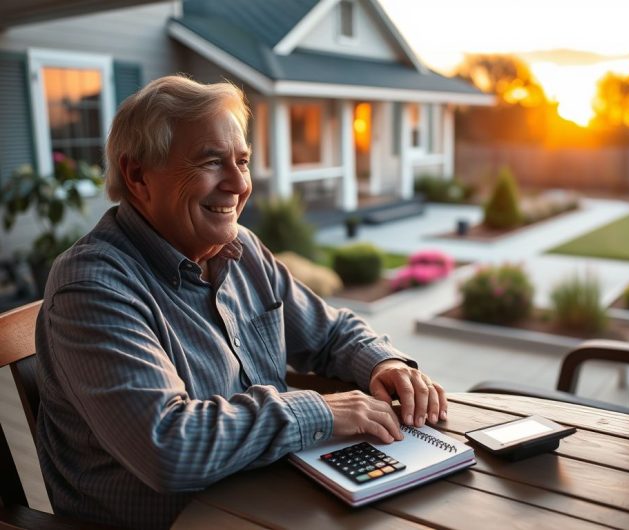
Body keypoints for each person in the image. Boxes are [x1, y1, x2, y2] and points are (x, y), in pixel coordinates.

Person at [35, 75, 447, 529]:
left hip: (278, 500)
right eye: (212, 162)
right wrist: (321, 411)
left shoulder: (241, 250)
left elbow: (328, 332)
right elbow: (168, 446)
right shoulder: (92, 287)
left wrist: (382, 365)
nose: (238, 183)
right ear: (137, 175)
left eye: (243, 161)